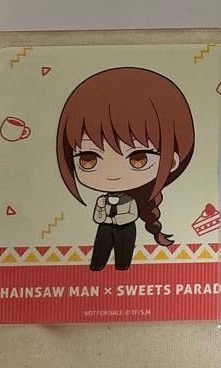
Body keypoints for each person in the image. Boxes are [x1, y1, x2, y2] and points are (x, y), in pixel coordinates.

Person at [55, 67, 194, 270]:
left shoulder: (130, 201)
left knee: (124, 254)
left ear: (171, 161)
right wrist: (103, 214)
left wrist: (116, 218)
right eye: (88, 159)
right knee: (100, 252)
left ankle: (122, 269)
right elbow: (97, 216)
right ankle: (97, 267)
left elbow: (130, 215)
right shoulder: (102, 200)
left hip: (125, 228)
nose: (112, 174)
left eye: (138, 158)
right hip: (105, 228)